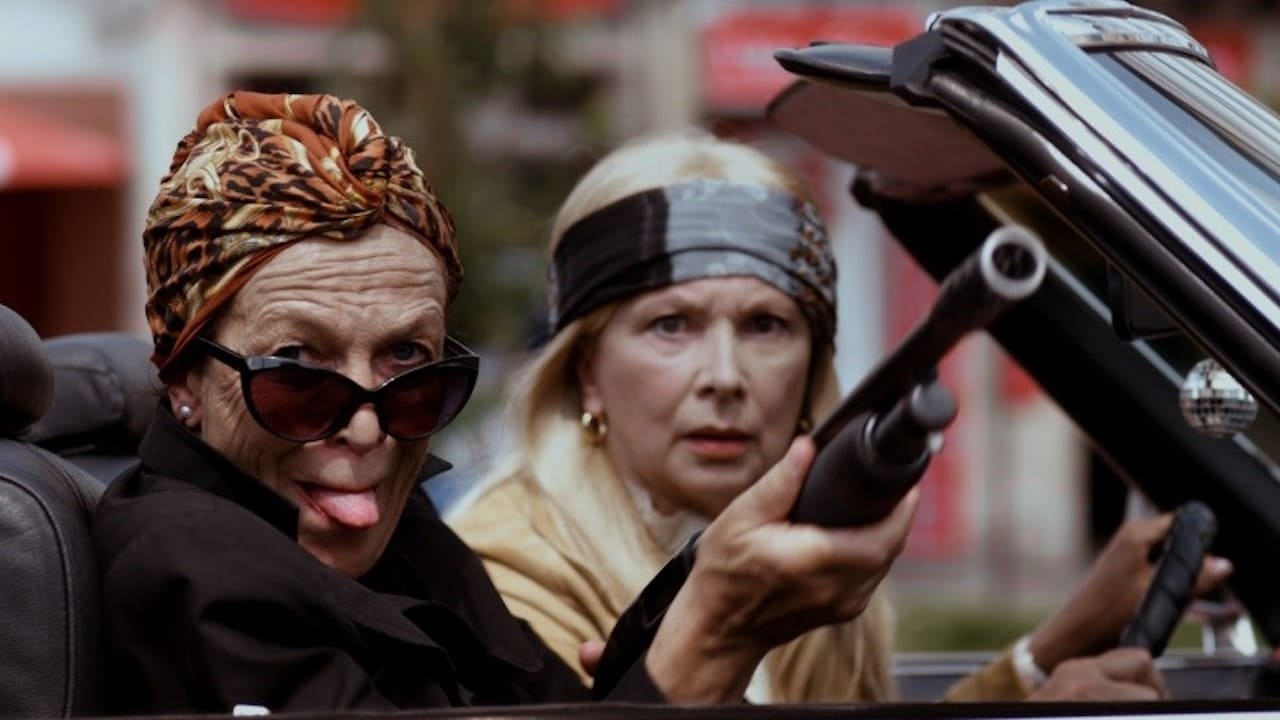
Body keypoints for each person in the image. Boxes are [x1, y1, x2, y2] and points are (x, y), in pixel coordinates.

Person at [90, 92, 920, 714]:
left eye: (409, 364)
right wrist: (716, 633)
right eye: (299, 368)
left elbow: (569, 706)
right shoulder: (195, 576)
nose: (369, 425)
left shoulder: (405, 539)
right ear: (184, 380)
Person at [449, 131, 1231, 703]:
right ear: (587, 372)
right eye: (671, 325)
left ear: (812, 373)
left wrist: (1049, 652)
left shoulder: (806, 535)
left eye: (765, 326)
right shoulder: (507, 573)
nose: (724, 378)